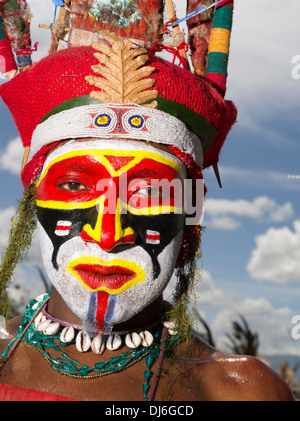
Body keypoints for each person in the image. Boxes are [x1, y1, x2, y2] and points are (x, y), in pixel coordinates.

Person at [0, 0, 295, 401]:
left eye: (149, 193)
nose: (108, 233)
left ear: (191, 217)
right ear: (33, 202)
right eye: (74, 186)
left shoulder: (241, 392)